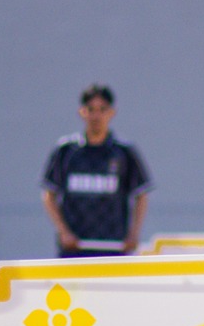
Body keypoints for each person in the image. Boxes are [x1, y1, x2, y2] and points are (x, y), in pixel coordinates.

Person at [40, 84, 152, 257]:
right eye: (90, 109)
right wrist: (63, 232)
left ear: (112, 112)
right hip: (74, 250)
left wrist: (133, 234)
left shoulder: (123, 152)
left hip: (113, 249)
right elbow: (49, 194)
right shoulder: (66, 150)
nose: (96, 116)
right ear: (81, 112)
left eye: (102, 109)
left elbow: (141, 194)